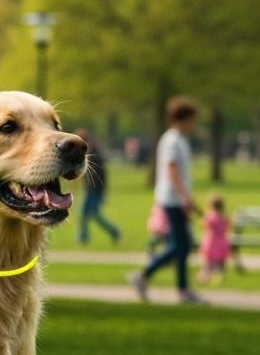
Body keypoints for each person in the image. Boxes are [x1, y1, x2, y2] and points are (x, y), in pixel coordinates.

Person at [130, 98, 202, 304]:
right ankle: (145, 276)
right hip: (172, 200)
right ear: (184, 119)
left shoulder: (179, 140)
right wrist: (184, 198)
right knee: (181, 245)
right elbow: (172, 170)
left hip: (175, 199)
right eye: (192, 120)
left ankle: (181, 289)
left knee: (182, 245)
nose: (193, 125)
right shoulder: (171, 140)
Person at [75, 128, 120, 245]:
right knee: (87, 214)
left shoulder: (92, 152)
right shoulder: (93, 150)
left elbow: (97, 173)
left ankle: (113, 231)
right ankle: (83, 237)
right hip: (92, 188)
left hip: (93, 189)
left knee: (90, 214)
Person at [198, 193, 230, 285]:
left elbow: (205, 226)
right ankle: (220, 274)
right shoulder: (224, 216)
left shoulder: (209, 216)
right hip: (222, 242)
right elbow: (227, 226)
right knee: (220, 262)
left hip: (210, 242)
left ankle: (204, 275)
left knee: (207, 261)